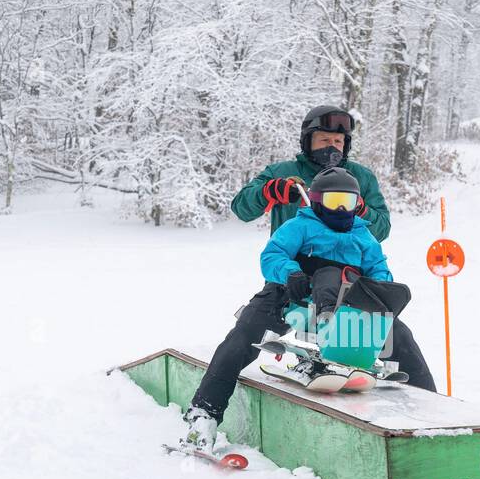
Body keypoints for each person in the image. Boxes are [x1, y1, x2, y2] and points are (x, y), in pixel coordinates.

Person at [178, 168, 435, 453]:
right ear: (315, 201)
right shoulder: (301, 225)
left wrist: (373, 295)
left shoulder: (364, 236)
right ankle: (205, 413)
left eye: (347, 202)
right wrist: (290, 273)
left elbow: (380, 272)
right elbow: (272, 254)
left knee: (400, 335)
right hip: (289, 295)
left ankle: (434, 414)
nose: (340, 208)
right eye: (334, 200)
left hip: (341, 304)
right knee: (241, 338)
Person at [232, 105, 391, 242]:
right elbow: (241, 209)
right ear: (307, 142)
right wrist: (269, 191)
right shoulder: (281, 172)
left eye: (338, 141)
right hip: (290, 269)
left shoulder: (361, 176)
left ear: (346, 145)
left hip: (346, 272)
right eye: (324, 140)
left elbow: (382, 231)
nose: (332, 147)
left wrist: (359, 209)